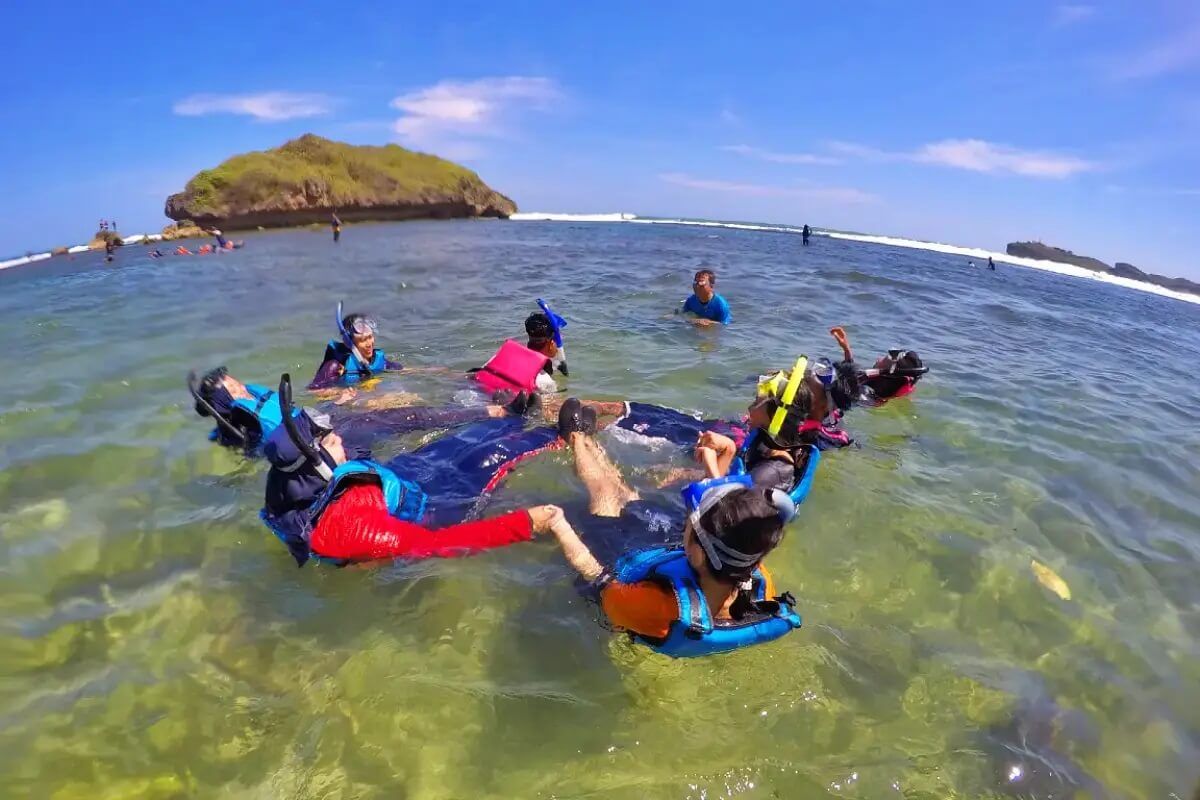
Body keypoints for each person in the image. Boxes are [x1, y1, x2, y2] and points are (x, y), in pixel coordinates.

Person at [543, 404, 802, 657]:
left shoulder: (656, 607)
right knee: (627, 496)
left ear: (697, 552)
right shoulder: (757, 582)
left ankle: (576, 437)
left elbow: (595, 575)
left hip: (626, 563)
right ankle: (587, 440)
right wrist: (723, 457)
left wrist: (559, 524)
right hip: (668, 553)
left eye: (691, 518)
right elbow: (736, 526)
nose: (688, 517)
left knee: (605, 492)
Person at [261, 376, 561, 566]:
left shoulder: (293, 486)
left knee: (458, 441)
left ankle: (513, 418)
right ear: (315, 467)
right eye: (329, 441)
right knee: (491, 457)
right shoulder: (347, 528)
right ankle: (556, 433)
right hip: (432, 505)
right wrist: (524, 523)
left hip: (401, 476)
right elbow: (434, 544)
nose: (338, 437)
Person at [191, 365, 538, 453]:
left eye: (235, 381)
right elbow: (261, 440)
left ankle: (479, 410)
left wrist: (332, 400)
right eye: (231, 387)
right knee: (410, 418)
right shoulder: (240, 423)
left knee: (406, 413)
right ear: (225, 402)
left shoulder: (253, 403)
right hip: (323, 437)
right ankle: (500, 415)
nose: (239, 386)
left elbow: (291, 413)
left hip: (323, 420)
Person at [693, 357, 821, 498]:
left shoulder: (772, 474)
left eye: (756, 403)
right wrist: (728, 450)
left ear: (775, 418)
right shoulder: (766, 450)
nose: (749, 409)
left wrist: (715, 460)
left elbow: (719, 513)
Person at [309, 304, 401, 389]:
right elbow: (314, 390)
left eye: (370, 337)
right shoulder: (335, 366)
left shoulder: (376, 359)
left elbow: (401, 370)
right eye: (362, 340)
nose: (369, 344)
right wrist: (341, 392)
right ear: (347, 342)